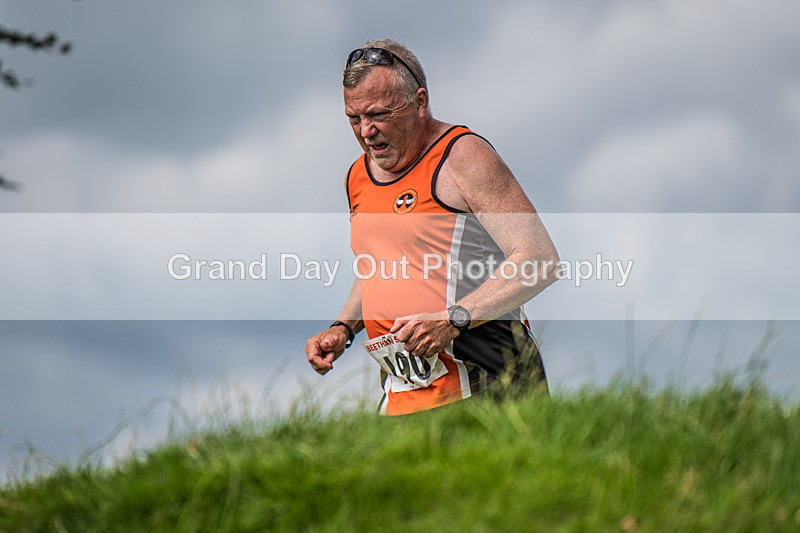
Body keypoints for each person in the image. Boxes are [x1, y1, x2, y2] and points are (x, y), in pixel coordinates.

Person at [305, 39, 559, 415]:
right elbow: (378, 264)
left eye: (378, 114)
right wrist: (343, 328)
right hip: (403, 391)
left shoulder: (463, 156)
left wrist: (451, 320)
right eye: (354, 119)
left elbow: (539, 260)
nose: (366, 131)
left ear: (420, 102)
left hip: (488, 378)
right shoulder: (358, 175)